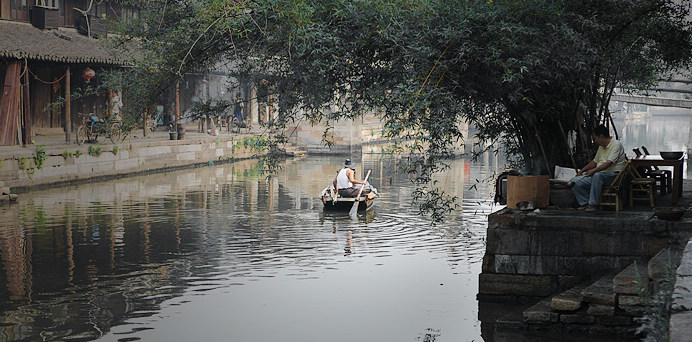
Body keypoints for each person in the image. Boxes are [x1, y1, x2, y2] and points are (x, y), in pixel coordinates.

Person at [568, 124, 626, 212]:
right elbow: (594, 162)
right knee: (574, 181)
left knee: (598, 175)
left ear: (601, 136)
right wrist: (582, 171)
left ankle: (593, 204)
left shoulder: (616, 144)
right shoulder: (601, 147)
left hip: (613, 176)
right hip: (598, 176)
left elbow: (608, 163)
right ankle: (585, 203)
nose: (595, 141)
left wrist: (594, 171)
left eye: (595, 138)